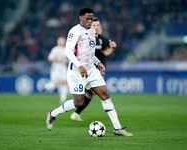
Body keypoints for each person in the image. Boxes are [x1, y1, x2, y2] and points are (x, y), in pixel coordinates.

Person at [46, 7, 133, 136]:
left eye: (91, 19)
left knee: (105, 95)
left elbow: (89, 53)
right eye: (87, 19)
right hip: (76, 72)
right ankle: (52, 113)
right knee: (78, 103)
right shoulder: (74, 31)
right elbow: (68, 51)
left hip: (91, 70)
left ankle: (117, 128)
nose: (89, 21)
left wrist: (98, 62)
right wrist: (80, 66)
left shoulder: (92, 32)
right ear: (80, 18)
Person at [70, 17, 117, 121]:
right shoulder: (86, 38)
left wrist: (112, 48)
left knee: (91, 94)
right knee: (89, 94)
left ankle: (75, 113)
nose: (96, 28)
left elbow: (106, 53)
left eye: (98, 26)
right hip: (86, 69)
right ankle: (73, 112)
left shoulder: (102, 39)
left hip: (97, 70)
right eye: (94, 25)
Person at [42, 37, 69, 104]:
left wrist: (68, 61)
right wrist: (57, 60)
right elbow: (49, 58)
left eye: (63, 41)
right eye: (61, 41)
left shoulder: (66, 49)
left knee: (64, 82)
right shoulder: (55, 49)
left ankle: (63, 99)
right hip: (55, 69)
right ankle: (45, 86)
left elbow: (69, 59)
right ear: (58, 42)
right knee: (55, 85)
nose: (62, 42)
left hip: (63, 68)